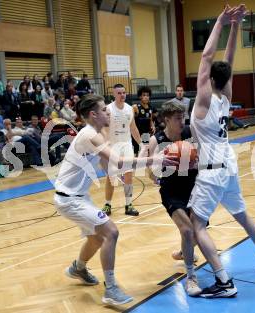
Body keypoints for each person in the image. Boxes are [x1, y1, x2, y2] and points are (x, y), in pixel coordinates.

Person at [187, 4, 255, 298]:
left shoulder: (204, 99)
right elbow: (228, 61)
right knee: (241, 213)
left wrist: (222, 22)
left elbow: (207, 56)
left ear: (209, 80)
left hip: (212, 170)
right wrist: (237, 26)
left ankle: (224, 280)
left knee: (197, 225)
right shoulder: (226, 96)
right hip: (229, 165)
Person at [55, 94, 177, 305]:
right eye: (104, 110)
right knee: (111, 232)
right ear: (93, 114)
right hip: (69, 199)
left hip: (78, 197)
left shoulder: (96, 135)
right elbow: (119, 162)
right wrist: (152, 160)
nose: (108, 112)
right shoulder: (88, 134)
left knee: (96, 238)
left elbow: (107, 164)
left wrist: (114, 172)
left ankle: (78, 268)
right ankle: (110, 289)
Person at [147, 100, 201, 296]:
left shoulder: (189, 133)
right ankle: (191, 277)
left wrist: (196, 163)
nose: (182, 122)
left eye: (183, 118)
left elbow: (201, 157)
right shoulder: (156, 140)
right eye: (178, 119)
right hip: (172, 191)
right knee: (187, 231)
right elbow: (150, 173)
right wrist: (161, 177)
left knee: (198, 232)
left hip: (194, 188)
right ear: (167, 120)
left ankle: (182, 252)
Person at [102, 84, 143, 216]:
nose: (122, 95)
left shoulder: (130, 109)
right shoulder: (108, 109)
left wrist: (141, 144)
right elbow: (104, 130)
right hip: (112, 145)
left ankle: (128, 204)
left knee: (128, 175)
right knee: (111, 177)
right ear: (114, 94)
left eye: (124, 92)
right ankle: (107, 204)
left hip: (126, 145)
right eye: (119, 93)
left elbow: (134, 129)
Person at [132, 86, 155, 154]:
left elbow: (150, 120)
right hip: (137, 134)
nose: (146, 97)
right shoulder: (135, 107)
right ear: (140, 97)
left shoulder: (150, 108)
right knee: (136, 153)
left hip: (145, 134)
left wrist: (153, 126)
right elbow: (131, 122)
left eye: (147, 95)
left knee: (146, 151)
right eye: (144, 95)